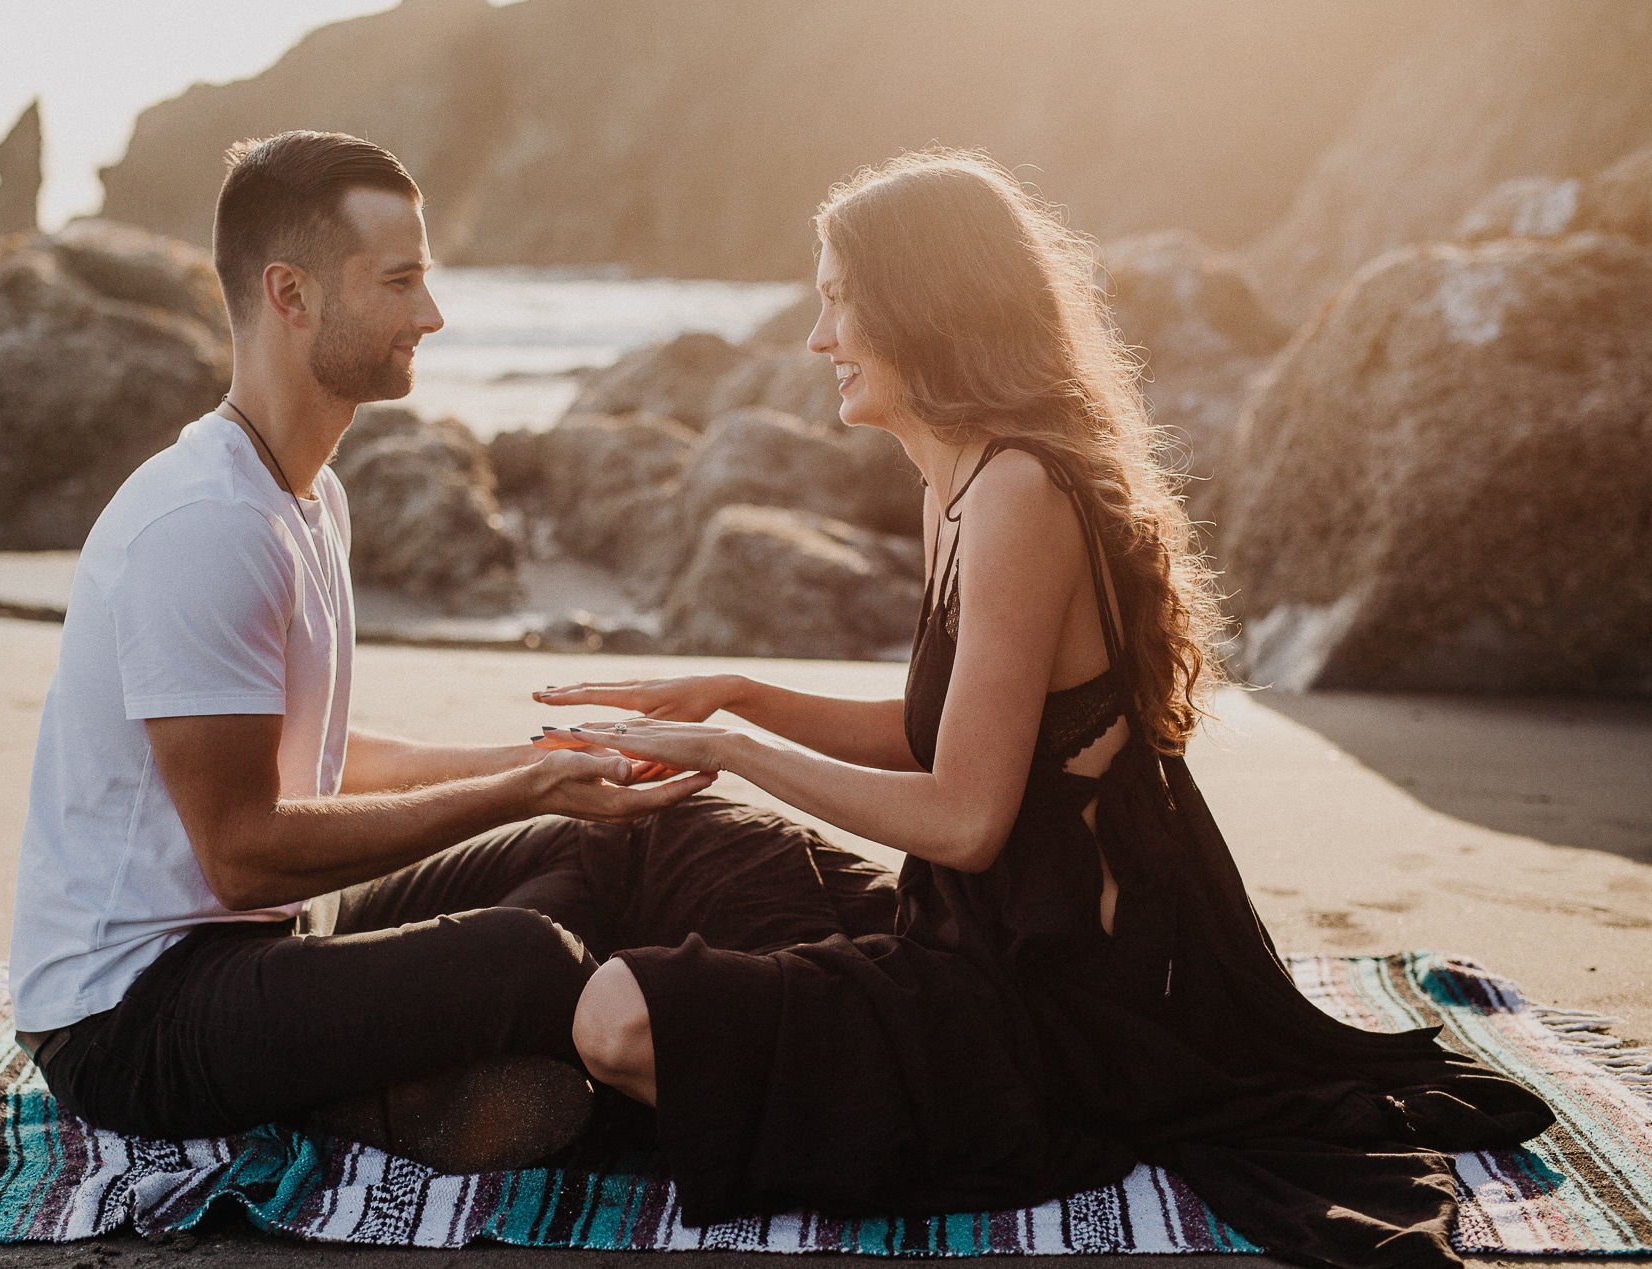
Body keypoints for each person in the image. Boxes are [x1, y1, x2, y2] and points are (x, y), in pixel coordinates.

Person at [539, 150, 1553, 1269]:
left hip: (1047, 1000)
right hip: (971, 933)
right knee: (675, 854)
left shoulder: (1021, 492)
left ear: (919, 305)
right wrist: (734, 693)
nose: (817, 340)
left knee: (618, 1017)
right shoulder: (957, 488)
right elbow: (940, 735)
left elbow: (963, 818)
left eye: (837, 301)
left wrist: (728, 746)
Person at [7, 131, 890, 1174]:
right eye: (400, 281)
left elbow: (320, 756)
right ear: (289, 294)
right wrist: (525, 791)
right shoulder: (202, 523)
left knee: (629, 841)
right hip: (133, 1015)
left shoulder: (307, 494)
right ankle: (828, 1110)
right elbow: (241, 847)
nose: (430, 313)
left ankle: (887, 977)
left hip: (276, 938)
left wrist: (559, 767)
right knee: (523, 957)